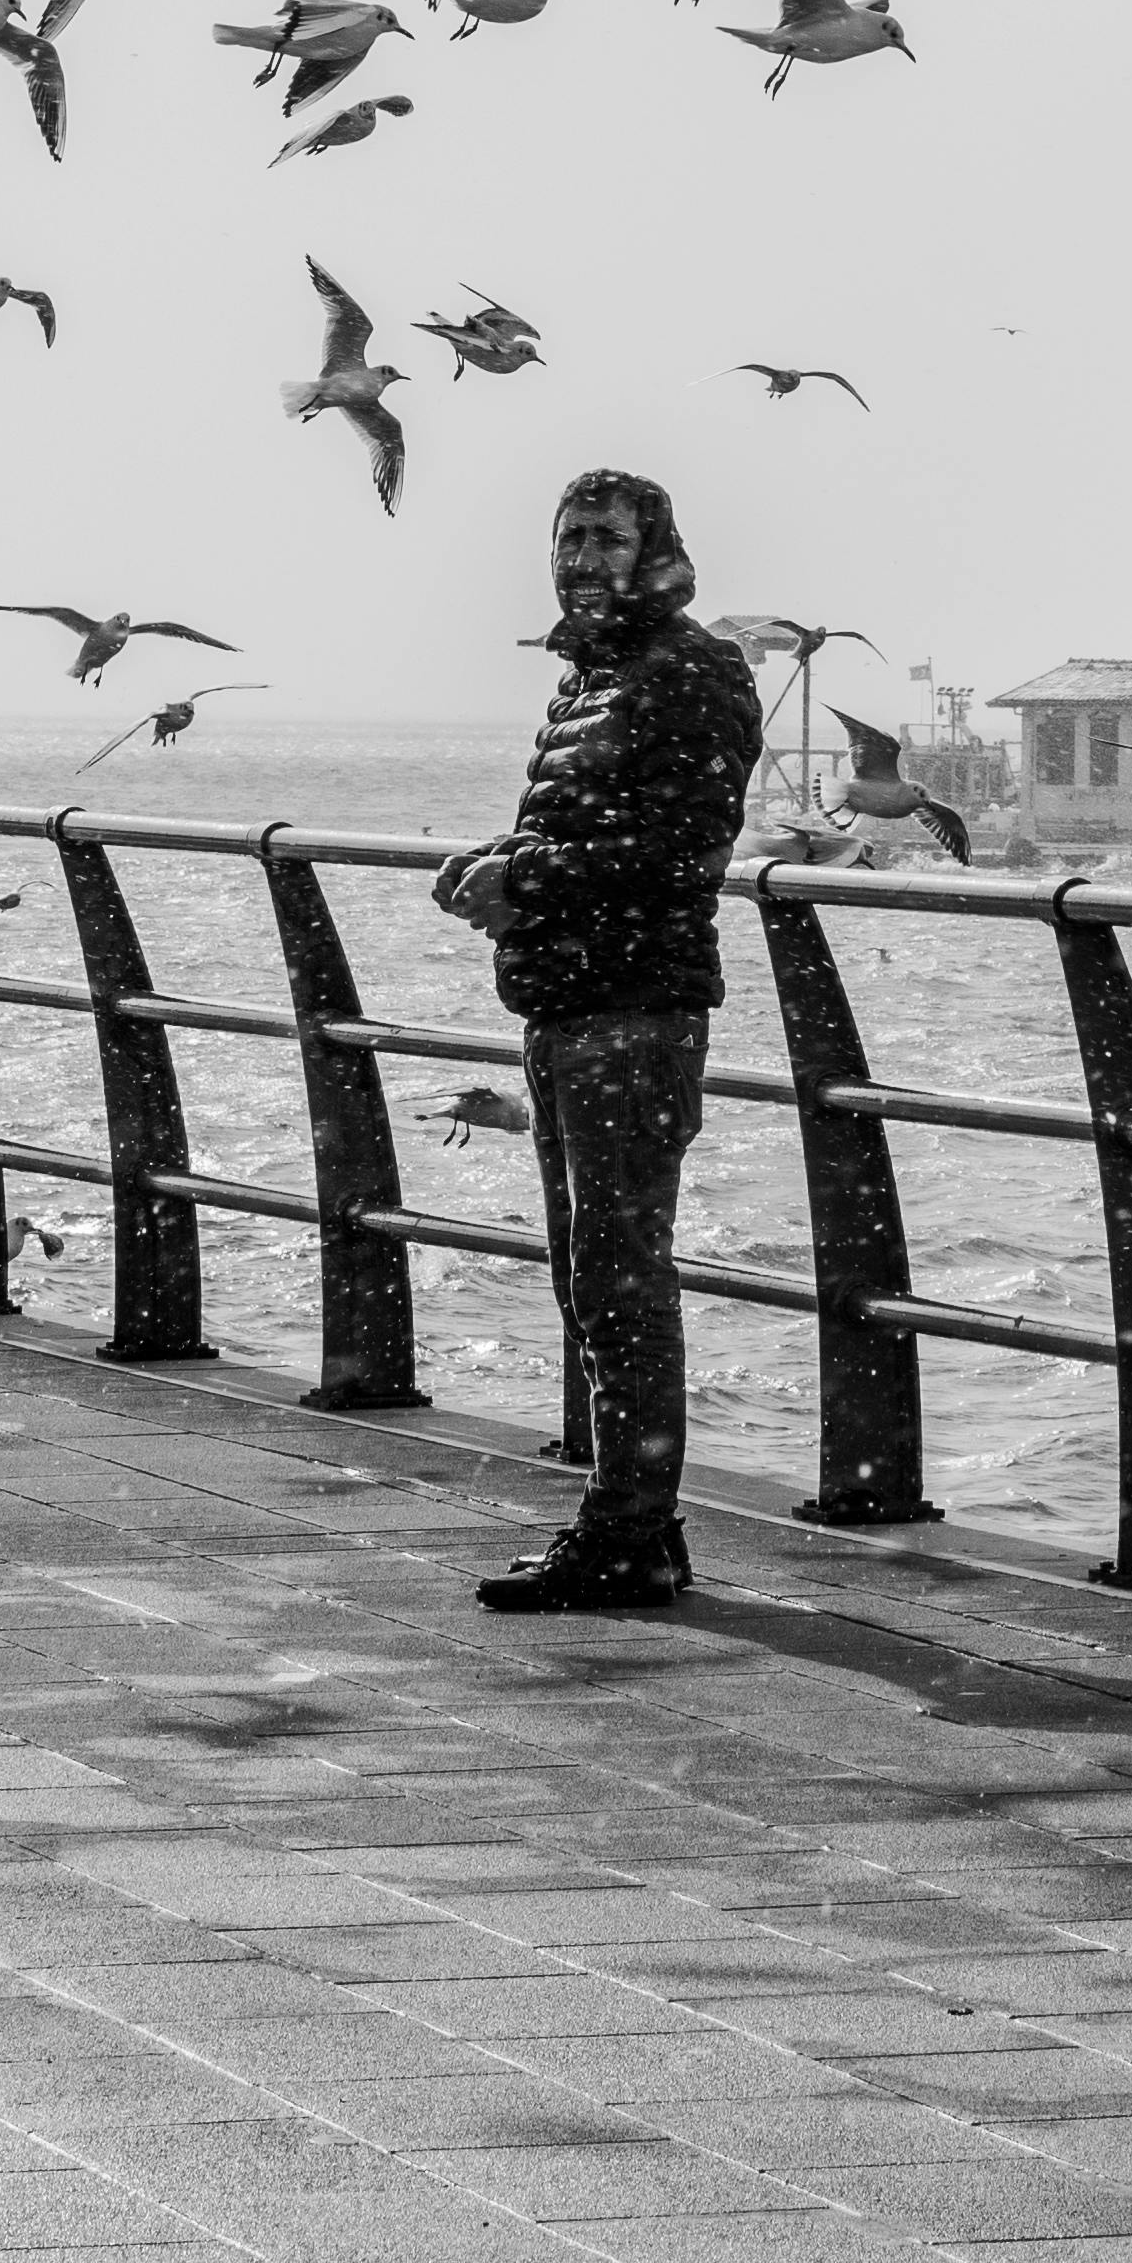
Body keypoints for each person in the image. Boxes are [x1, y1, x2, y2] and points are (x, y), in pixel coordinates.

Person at [433, 466, 766, 1612]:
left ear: (655, 544)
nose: (582, 555)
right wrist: (494, 859)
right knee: (591, 1273)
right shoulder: (597, 674)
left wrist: (522, 876)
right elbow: (598, 826)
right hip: (571, 1006)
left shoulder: (686, 670)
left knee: (622, 1274)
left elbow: (681, 855)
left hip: (636, 1012)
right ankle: (628, 1524)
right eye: (567, 535)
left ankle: (631, 1531)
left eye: (607, 536)